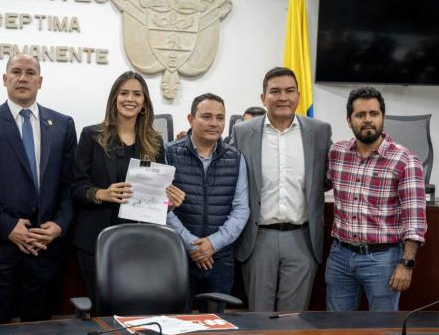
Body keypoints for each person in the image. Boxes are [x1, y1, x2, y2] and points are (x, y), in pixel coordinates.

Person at [0, 54, 77, 324]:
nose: (23, 78)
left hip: (44, 247)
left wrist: (59, 225)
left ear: (40, 81)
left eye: (29, 72)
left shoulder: (63, 125)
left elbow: (70, 185)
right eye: (16, 72)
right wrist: (7, 227)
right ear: (5, 80)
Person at [70, 71, 184, 302]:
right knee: (101, 309)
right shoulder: (92, 136)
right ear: (114, 98)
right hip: (96, 240)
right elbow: (76, 187)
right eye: (124, 93)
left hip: (140, 240)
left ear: (144, 103)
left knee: (135, 306)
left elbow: (158, 194)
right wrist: (103, 193)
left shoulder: (154, 141)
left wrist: (169, 202)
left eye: (137, 94)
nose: (130, 99)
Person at [230, 67, 332, 312]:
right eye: (275, 91)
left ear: (298, 95)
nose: (283, 97)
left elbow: (327, 177)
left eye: (289, 91)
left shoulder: (319, 131)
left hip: (303, 238)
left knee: (292, 321)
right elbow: (229, 175)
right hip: (258, 239)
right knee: (259, 318)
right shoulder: (242, 132)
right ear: (263, 97)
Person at [325, 87, 427, 311]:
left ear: (383, 116)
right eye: (360, 115)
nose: (368, 120)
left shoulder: (405, 160)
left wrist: (406, 264)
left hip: (383, 260)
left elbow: (415, 221)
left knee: (382, 332)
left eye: (374, 113)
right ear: (349, 120)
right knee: (335, 332)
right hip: (340, 258)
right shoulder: (337, 153)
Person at [166, 93, 249, 304]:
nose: (214, 123)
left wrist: (212, 244)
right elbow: (161, 207)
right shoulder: (168, 154)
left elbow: (241, 210)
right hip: (177, 255)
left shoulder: (236, 158)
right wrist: (191, 244)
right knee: (176, 323)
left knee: (216, 326)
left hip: (219, 258)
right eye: (206, 116)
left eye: (220, 118)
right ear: (191, 119)